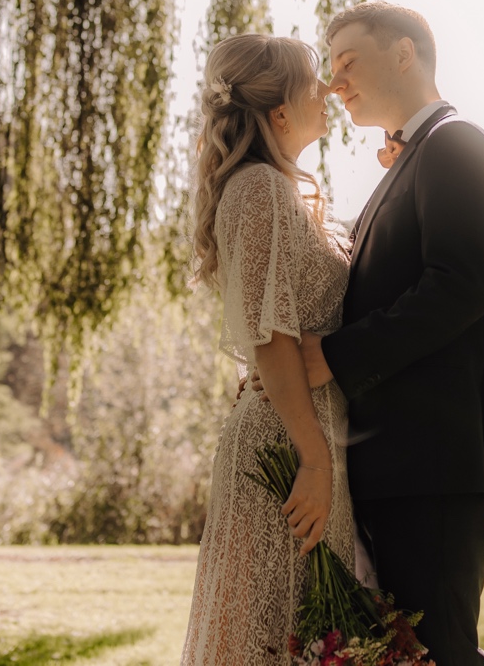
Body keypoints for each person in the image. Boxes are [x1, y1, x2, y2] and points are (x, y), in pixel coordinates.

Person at [299, 2, 484, 665]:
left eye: (347, 62)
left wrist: (329, 357)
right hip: (397, 464)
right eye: (330, 68)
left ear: (404, 55)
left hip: (434, 466)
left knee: (442, 652)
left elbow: (457, 287)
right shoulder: (412, 158)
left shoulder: (457, 144)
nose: (334, 84)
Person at [180, 34, 356, 665]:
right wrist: (314, 460)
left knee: (300, 634)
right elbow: (271, 339)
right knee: (270, 635)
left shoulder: (276, 189)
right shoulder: (257, 190)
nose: (329, 91)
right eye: (315, 80)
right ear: (279, 111)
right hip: (288, 448)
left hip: (305, 435)